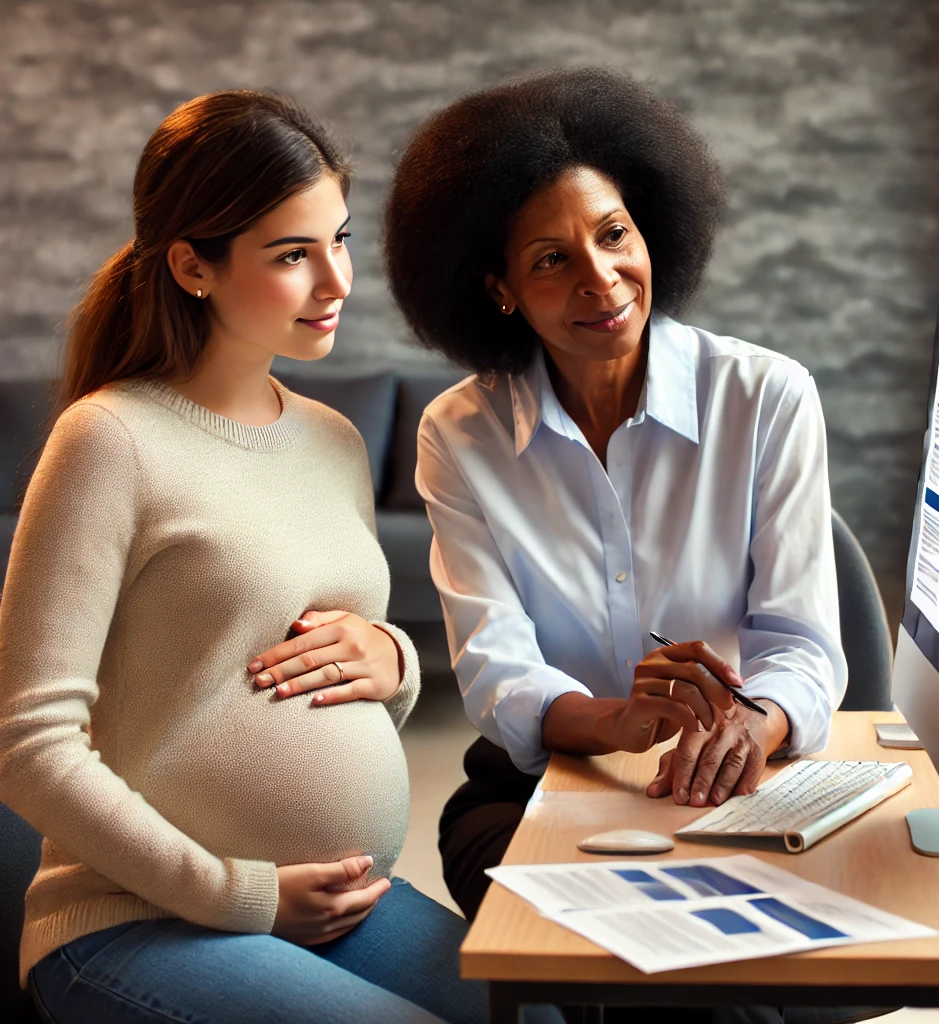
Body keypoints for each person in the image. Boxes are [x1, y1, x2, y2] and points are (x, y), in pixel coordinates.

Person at [0, 90, 545, 1024]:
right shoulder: (109, 439)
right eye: (293, 255)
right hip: (136, 920)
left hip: (340, 909)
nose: (336, 282)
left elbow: (320, 648)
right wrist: (235, 893)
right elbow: (29, 746)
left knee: (544, 1007)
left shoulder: (331, 439)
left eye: (336, 241)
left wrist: (397, 659)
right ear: (192, 265)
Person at [374, 66, 848, 928]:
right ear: (500, 290)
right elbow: (494, 665)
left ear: (651, 228)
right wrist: (616, 722)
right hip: (544, 780)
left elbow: (804, 644)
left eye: (614, 233)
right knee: (610, 934)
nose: (602, 278)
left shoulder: (765, 396)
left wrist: (759, 725)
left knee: (708, 957)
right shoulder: (461, 432)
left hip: (730, 776)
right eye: (552, 259)